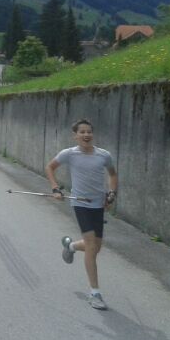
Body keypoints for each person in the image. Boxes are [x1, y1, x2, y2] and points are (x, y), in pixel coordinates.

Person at [45, 119, 118, 310]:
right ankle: (95, 293)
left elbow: (112, 175)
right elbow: (50, 167)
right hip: (80, 203)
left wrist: (111, 194)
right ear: (75, 135)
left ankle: (71, 246)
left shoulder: (104, 155)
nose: (86, 135)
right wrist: (55, 188)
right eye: (82, 132)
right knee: (92, 245)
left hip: (98, 204)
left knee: (95, 247)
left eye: (89, 132)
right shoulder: (69, 154)